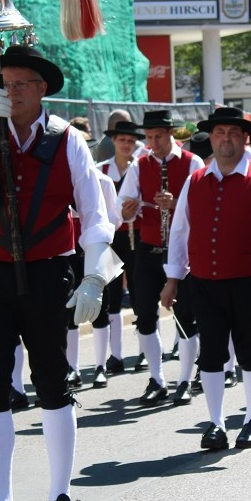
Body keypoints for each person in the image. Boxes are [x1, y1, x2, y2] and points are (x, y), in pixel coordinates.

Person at [0, 45, 117, 501]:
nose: (11, 91)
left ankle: (59, 497)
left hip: (48, 273)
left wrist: (95, 278)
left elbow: (95, 215)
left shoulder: (68, 140)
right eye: (5, 83)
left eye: (22, 83)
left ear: (42, 89)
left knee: (52, 384)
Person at [161, 107, 251, 449]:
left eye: (233, 133)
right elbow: (180, 231)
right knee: (211, 352)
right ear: (213, 138)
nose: (225, 140)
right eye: (219, 133)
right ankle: (216, 423)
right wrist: (173, 278)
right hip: (204, 280)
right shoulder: (196, 179)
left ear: (244, 138)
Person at [117, 110, 203, 405]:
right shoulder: (140, 165)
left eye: (158, 137)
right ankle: (156, 378)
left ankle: (186, 379)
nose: (152, 143)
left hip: (183, 252)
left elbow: (207, 204)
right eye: (149, 137)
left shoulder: (193, 162)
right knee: (145, 317)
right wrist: (126, 211)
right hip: (149, 249)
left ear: (170, 134)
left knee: (186, 318)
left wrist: (177, 202)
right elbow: (123, 203)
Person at [93, 120, 145, 381]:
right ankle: (116, 355)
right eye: (122, 140)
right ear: (113, 142)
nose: (126, 145)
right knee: (111, 295)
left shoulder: (140, 169)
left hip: (136, 239)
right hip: (112, 240)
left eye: (130, 141)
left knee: (139, 294)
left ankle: (144, 349)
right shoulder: (101, 170)